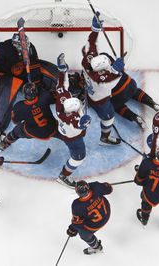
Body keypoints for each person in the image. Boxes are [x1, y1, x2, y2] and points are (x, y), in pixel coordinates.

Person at [0, 32, 58, 141]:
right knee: (8, 92)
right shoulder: (4, 49)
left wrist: (37, 86)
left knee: (51, 72)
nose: (25, 50)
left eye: (26, 46)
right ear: (15, 45)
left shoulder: (30, 48)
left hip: (23, 75)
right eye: (22, 48)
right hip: (7, 76)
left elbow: (34, 67)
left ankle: (64, 87)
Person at [81, 12, 122, 145]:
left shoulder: (87, 61)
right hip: (102, 102)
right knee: (109, 118)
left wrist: (95, 30)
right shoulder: (102, 82)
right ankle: (104, 138)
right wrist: (116, 70)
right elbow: (114, 80)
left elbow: (90, 43)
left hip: (89, 93)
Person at [54, 53, 91, 188]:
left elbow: (62, 85)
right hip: (73, 138)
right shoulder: (73, 120)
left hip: (63, 131)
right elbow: (78, 125)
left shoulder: (62, 99)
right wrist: (84, 123)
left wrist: (62, 70)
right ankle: (63, 176)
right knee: (79, 158)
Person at [0, 82, 57, 150]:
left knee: (17, 131)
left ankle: (5, 143)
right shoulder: (45, 96)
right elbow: (55, 98)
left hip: (35, 132)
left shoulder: (19, 107)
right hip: (52, 127)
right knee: (63, 133)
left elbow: (16, 121)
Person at [66, 180, 113, 255]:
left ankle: (96, 248)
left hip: (95, 225)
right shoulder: (96, 186)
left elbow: (77, 223)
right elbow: (109, 189)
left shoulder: (76, 205)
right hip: (107, 212)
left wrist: (72, 229)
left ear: (77, 193)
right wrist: (103, 186)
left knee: (84, 234)